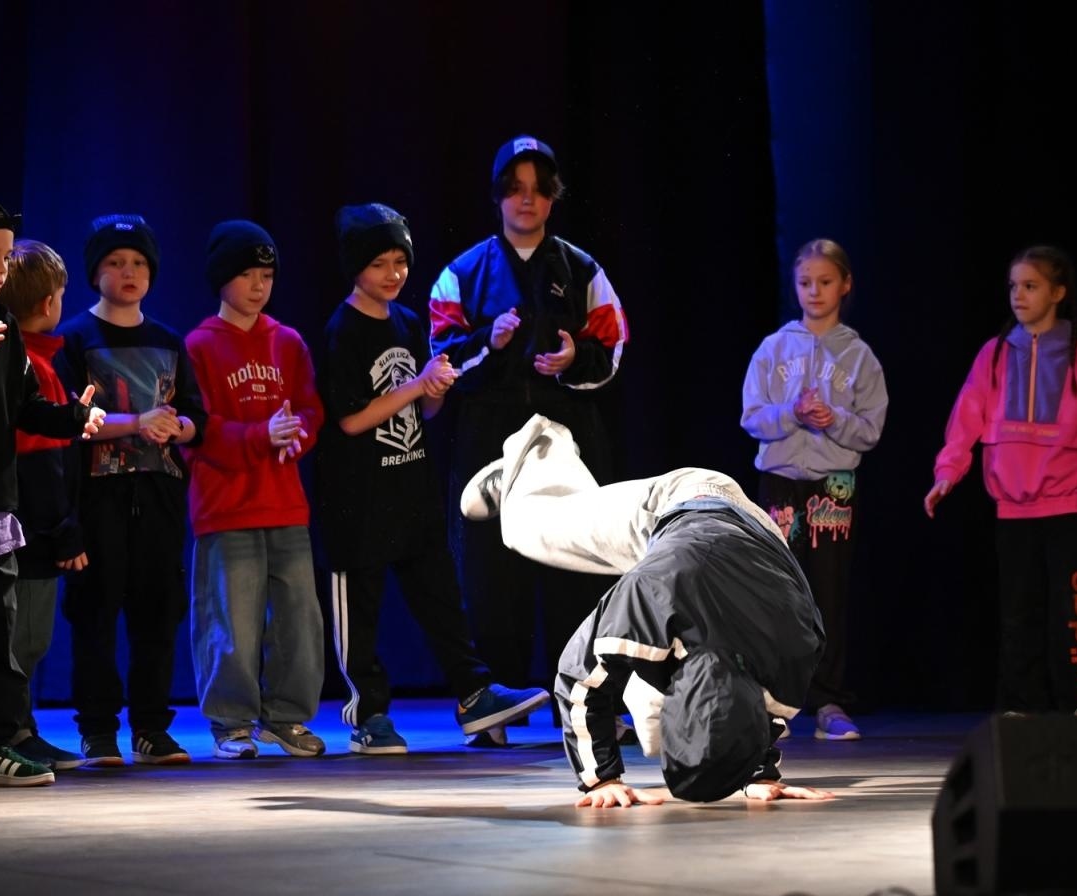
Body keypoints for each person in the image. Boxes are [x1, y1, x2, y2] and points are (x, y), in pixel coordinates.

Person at [461, 415, 833, 806]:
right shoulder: (649, 596)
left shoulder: (796, 644)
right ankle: (540, 449)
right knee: (529, 530)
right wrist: (600, 780)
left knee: (655, 732)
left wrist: (757, 773)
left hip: (740, 555)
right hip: (681, 504)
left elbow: (755, 712)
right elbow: (577, 676)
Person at [315, 203, 548, 755]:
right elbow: (350, 420)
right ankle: (368, 714)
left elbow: (423, 411)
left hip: (411, 489)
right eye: (379, 263)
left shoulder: (408, 323)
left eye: (400, 262)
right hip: (358, 497)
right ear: (355, 267)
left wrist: (434, 391)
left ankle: (474, 693)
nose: (393, 273)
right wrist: (419, 385)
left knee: (442, 600)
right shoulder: (342, 330)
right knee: (360, 611)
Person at [428, 136, 627, 693]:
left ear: (553, 197)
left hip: (566, 434)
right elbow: (440, 356)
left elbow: (612, 347)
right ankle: (496, 700)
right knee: (490, 572)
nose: (527, 200)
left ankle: (582, 698)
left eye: (539, 190)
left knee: (576, 566)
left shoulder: (583, 269)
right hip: (489, 437)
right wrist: (487, 342)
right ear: (498, 196)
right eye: (516, 189)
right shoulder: (462, 273)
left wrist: (573, 359)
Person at [0, 193, 104, 786]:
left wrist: (72, 418)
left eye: (6, 257)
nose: (0, 268)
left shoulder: (3, 327)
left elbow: (25, 407)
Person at [925, 245, 1077, 717]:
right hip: (1012, 506)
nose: (1018, 295)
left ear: (1057, 293)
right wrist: (948, 472)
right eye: (1014, 286)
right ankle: (1022, 703)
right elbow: (967, 417)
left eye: (1030, 286)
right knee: (1018, 609)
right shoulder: (995, 353)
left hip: (1065, 502)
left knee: (1070, 607)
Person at [56, 213, 205, 767]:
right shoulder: (76, 338)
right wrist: (137, 422)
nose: (129, 272)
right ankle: (98, 729)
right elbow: (65, 421)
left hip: (158, 495)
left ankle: (151, 727)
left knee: (158, 613)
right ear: (95, 272)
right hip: (98, 496)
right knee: (95, 612)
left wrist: (176, 426)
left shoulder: (168, 340)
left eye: (139, 262)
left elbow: (195, 418)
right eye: (116, 262)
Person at [185, 220, 327, 759]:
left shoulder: (287, 341)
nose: (258, 285)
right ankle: (231, 722)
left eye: (266, 276)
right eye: (246, 274)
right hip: (226, 506)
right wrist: (258, 435)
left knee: (298, 619)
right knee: (231, 621)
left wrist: (297, 435)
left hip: (284, 503)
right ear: (221, 278)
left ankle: (286, 717)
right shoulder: (199, 345)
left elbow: (310, 409)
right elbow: (197, 429)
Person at [741, 238, 887, 741]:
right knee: (777, 590)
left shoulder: (860, 356)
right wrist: (792, 413)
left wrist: (834, 419)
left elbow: (870, 429)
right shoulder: (773, 349)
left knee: (828, 591)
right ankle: (772, 702)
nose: (814, 291)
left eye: (825, 282)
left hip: (833, 486)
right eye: (805, 282)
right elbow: (752, 417)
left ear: (845, 285)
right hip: (780, 481)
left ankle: (829, 701)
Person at [0, 238, 86, 769]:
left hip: (19, 527)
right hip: (30, 533)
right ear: (49, 302)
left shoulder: (28, 360)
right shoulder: (33, 367)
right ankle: (15, 732)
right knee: (26, 640)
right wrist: (62, 531)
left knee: (19, 638)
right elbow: (41, 463)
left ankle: (17, 727)